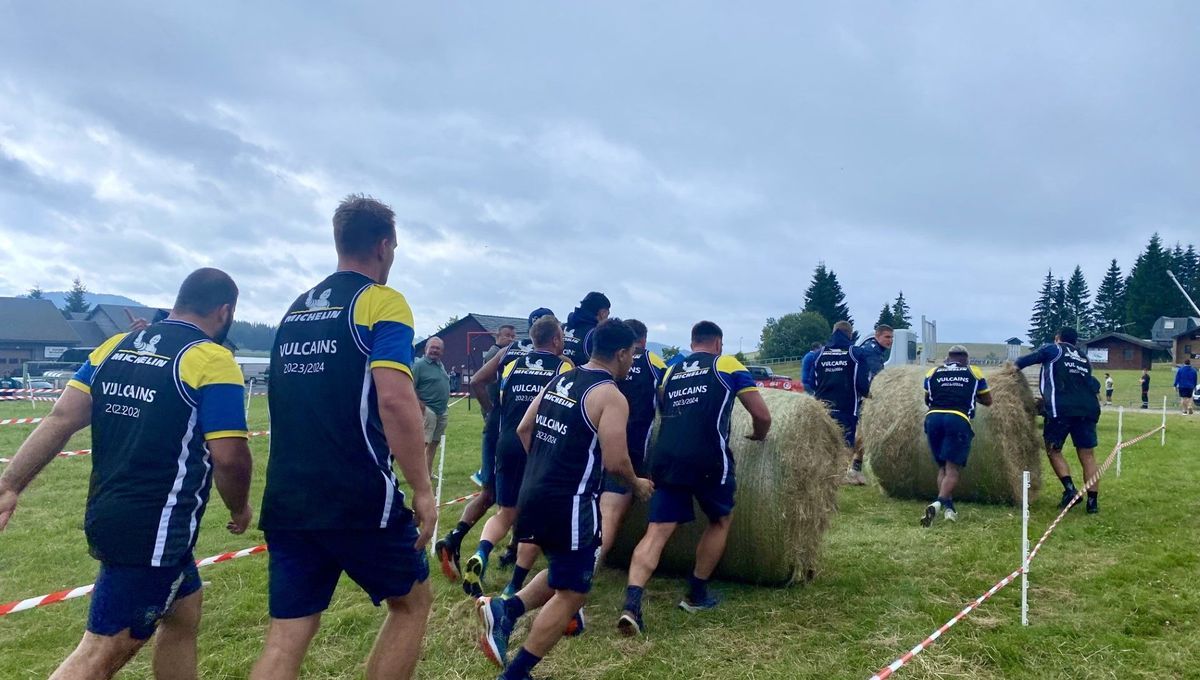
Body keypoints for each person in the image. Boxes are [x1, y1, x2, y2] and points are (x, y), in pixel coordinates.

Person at [0, 268, 253, 679]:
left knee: (184, 609)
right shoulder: (212, 360)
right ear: (224, 312)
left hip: (110, 514)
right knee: (101, 652)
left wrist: (10, 485)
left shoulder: (114, 346)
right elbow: (229, 457)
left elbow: (61, 417)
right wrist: (240, 508)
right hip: (152, 532)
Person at [251, 195, 433, 680]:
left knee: (287, 634)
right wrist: (423, 488)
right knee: (412, 603)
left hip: (289, 497)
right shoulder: (381, 302)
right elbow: (395, 398)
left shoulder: (295, 312)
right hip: (356, 496)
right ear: (383, 245)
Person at [477, 319, 653, 679]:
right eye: (632, 354)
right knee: (574, 592)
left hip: (534, 491)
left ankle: (507, 610)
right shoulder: (610, 396)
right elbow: (617, 460)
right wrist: (637, 485)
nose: (633, 362)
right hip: (571, 501)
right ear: (621, 353)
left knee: (562, 571)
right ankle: (516, 672)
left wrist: (544, 465)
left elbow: (526, 428)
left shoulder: (561, 378)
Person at [618, 321, 771, 636]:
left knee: (657, 531)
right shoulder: (726, 364)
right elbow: (762, 414)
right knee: (720, 520)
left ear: (692, 342)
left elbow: (662, 406)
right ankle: (696, 595)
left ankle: (632, 604)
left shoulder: (672, 370)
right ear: (718, 343)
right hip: (707, 457)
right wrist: (759, 435)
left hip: (666, 456)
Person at [436, 310, 552, 582]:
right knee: (518, 499)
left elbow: (477, 380)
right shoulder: (552, 360)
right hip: (519, 432)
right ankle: (512, 551)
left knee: (490, 493)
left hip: (497, 431)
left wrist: (490, 411)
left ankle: (454, 537)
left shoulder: (510, 352)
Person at [463, 315, 573, 599]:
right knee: (536, 517)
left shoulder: (510, 364)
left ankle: (481, 552)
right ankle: (514, 585)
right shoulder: (564, 367)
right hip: (539, 447)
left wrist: (490, 412)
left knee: (506, 512)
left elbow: (485, 386)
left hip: (507, 442)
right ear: (557, 339)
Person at [598, 318, 667, 566]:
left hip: (594, 444)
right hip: (630, 446)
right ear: (643, 340)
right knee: (611, 513)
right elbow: (666, 393)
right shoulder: (652, 360)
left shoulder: (604, 363)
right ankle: (580, 577)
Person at [1014, 327, 1103, 514]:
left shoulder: (1053, 349)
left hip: (1061, 409)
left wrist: (1009, 371)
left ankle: (1070, 490)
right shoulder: (1083, 358)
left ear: (1058, 338)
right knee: (1088, 456)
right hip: (1088, 409)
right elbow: (1093, 383)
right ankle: (1092, 504)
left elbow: (1023, 361)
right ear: (1076, 341)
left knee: (1053, 449)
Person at [920, 346, 993, 526]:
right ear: (966, 359)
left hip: (933, 418)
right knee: (952, 469)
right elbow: (988, 400)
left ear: (947, 359)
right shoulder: (973, 372)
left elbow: (927, 399)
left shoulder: (933, 372)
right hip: (957, 419)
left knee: (943, 468)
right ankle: (938, 503)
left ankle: (950, 509)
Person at [812, 321, 872, 452]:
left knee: (823, 448)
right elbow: (862, 383)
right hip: (847, 409)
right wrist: (869, 394)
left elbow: (812, 382)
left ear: (833, 333)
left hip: (822, 409)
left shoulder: (819, 355)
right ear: (850, 335)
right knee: (844, 450)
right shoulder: (856, 353)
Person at [845, 324, 894, 484]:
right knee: (861, 433)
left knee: (862, 434)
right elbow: (875, 378)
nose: (890, 341)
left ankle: (853, 469)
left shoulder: (875, 350)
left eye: (892, 337)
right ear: (877, 335)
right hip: (862, 399)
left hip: (862, 397)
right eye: (887, 337)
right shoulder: (871, 351)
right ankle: (851, 469)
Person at [413, 336, 451, 475]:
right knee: (424, 443)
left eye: (438, 348)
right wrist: (420, 405)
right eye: (433, 347)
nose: (435, 350)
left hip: (441, 410)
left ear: (442, 351)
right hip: (427, 409)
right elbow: (410, 386)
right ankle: (420, 475)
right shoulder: (419, 365)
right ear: (426, 348)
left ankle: (428, 473)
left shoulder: (440, 364)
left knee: (434, 443)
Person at [561, 292, 611, 365]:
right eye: (607, 314)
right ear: (602, 313)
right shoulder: (597, 334)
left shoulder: (560, 328)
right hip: (581, 375)